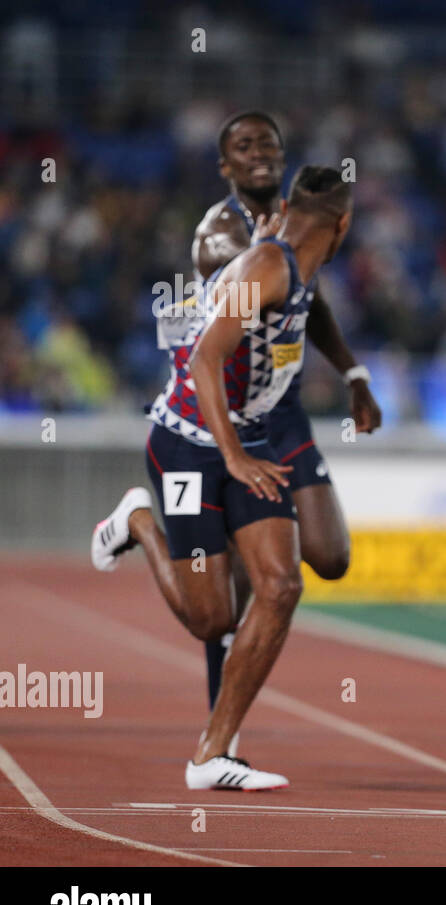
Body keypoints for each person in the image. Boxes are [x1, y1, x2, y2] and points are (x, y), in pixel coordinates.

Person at [94, 112, 380, 755]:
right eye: (243, 148)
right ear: (223, 166)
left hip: (275, 411)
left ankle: (219, 726)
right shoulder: (226, 238)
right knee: (221, 601)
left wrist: (354, 372)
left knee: (326, 558)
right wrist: (272, 249)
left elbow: (312, 302)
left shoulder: (295, 225)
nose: (258, 155)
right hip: (213, 412)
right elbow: (236, 306)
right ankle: (219, 719)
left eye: (269, 145)